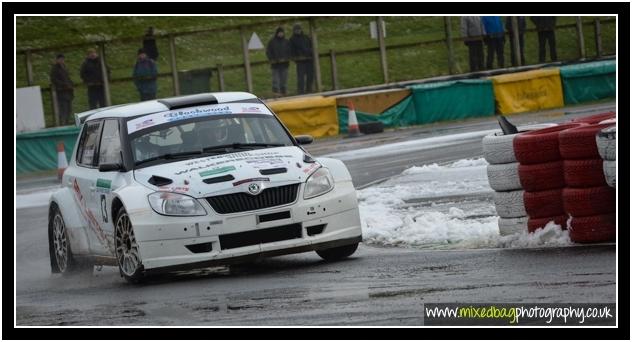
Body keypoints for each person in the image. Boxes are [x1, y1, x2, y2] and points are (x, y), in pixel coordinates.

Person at [49, 54, 74, 125]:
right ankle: (63, 122)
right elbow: (54, 79)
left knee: (69, 107)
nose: (62, 60)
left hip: (68, 91)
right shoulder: (54, 69)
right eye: (60, 59)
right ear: (57, 60)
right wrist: (63, 85)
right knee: (63, 107)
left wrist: (70, 84)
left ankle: (67, 121)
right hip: (61, 91)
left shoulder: (64, 68)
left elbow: (68, 78)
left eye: (63, 59)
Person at [266, 27, 291, 97]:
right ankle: (275, 92)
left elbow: (289, 51)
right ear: (277, 33)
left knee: (284, 79)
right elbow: (268, 51)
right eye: (279, 33)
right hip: (275, 65)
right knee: (275, 79)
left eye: (282, 32)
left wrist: (287, 58)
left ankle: (284, 92)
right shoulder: (272, 42)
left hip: (285, 64)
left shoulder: (286, 41)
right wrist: (272, 59)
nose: (281, 34)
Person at [289, 24, 314, 94]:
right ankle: (301, 91)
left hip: (309, 60)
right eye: (296, 30)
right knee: (300, 77)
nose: (298, 31)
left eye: (299, 29)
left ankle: (309, 89)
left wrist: (311, 54)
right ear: (294, 31)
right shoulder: (292, 39)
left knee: (310, 75)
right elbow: (291, 50)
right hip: (300, 61)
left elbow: (311, 46)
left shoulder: (306, 37)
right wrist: (295, 58)